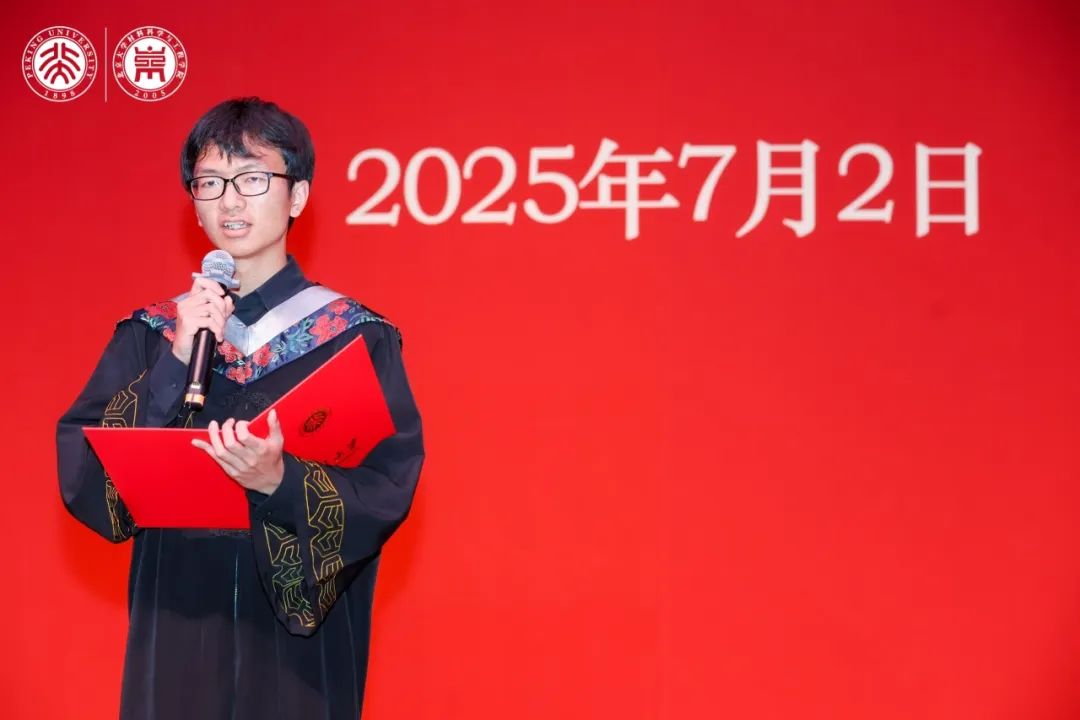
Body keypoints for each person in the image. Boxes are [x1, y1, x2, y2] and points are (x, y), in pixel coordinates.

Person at [56, 97, 424, 719]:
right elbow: (87, 481)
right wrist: (172, 365)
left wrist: (282, 481)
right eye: (210, 182)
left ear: (297, 196)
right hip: (178, 619)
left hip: (295, 647)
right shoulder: (153, 335)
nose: (230, 200)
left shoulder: (352, 337)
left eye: (252, 178)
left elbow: (389, 485)